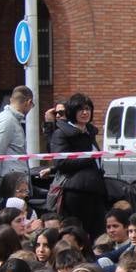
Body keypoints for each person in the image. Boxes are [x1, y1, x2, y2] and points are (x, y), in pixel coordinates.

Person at [49, 94, 107, 238]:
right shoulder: (61, 133)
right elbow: (60, 162)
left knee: (98, 232)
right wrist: (89, 158)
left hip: (96, 188)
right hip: (76, 191)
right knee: (77, 233)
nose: (85, 113)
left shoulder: (90, 132)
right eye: (80, 109)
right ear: (71, 112)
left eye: (88, 109)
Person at [0, 87, 33, 183]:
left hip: (13, 180)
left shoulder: (11, 120)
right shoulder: (8, 121)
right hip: (11, 182)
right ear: (28, 102)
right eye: (32, 105)